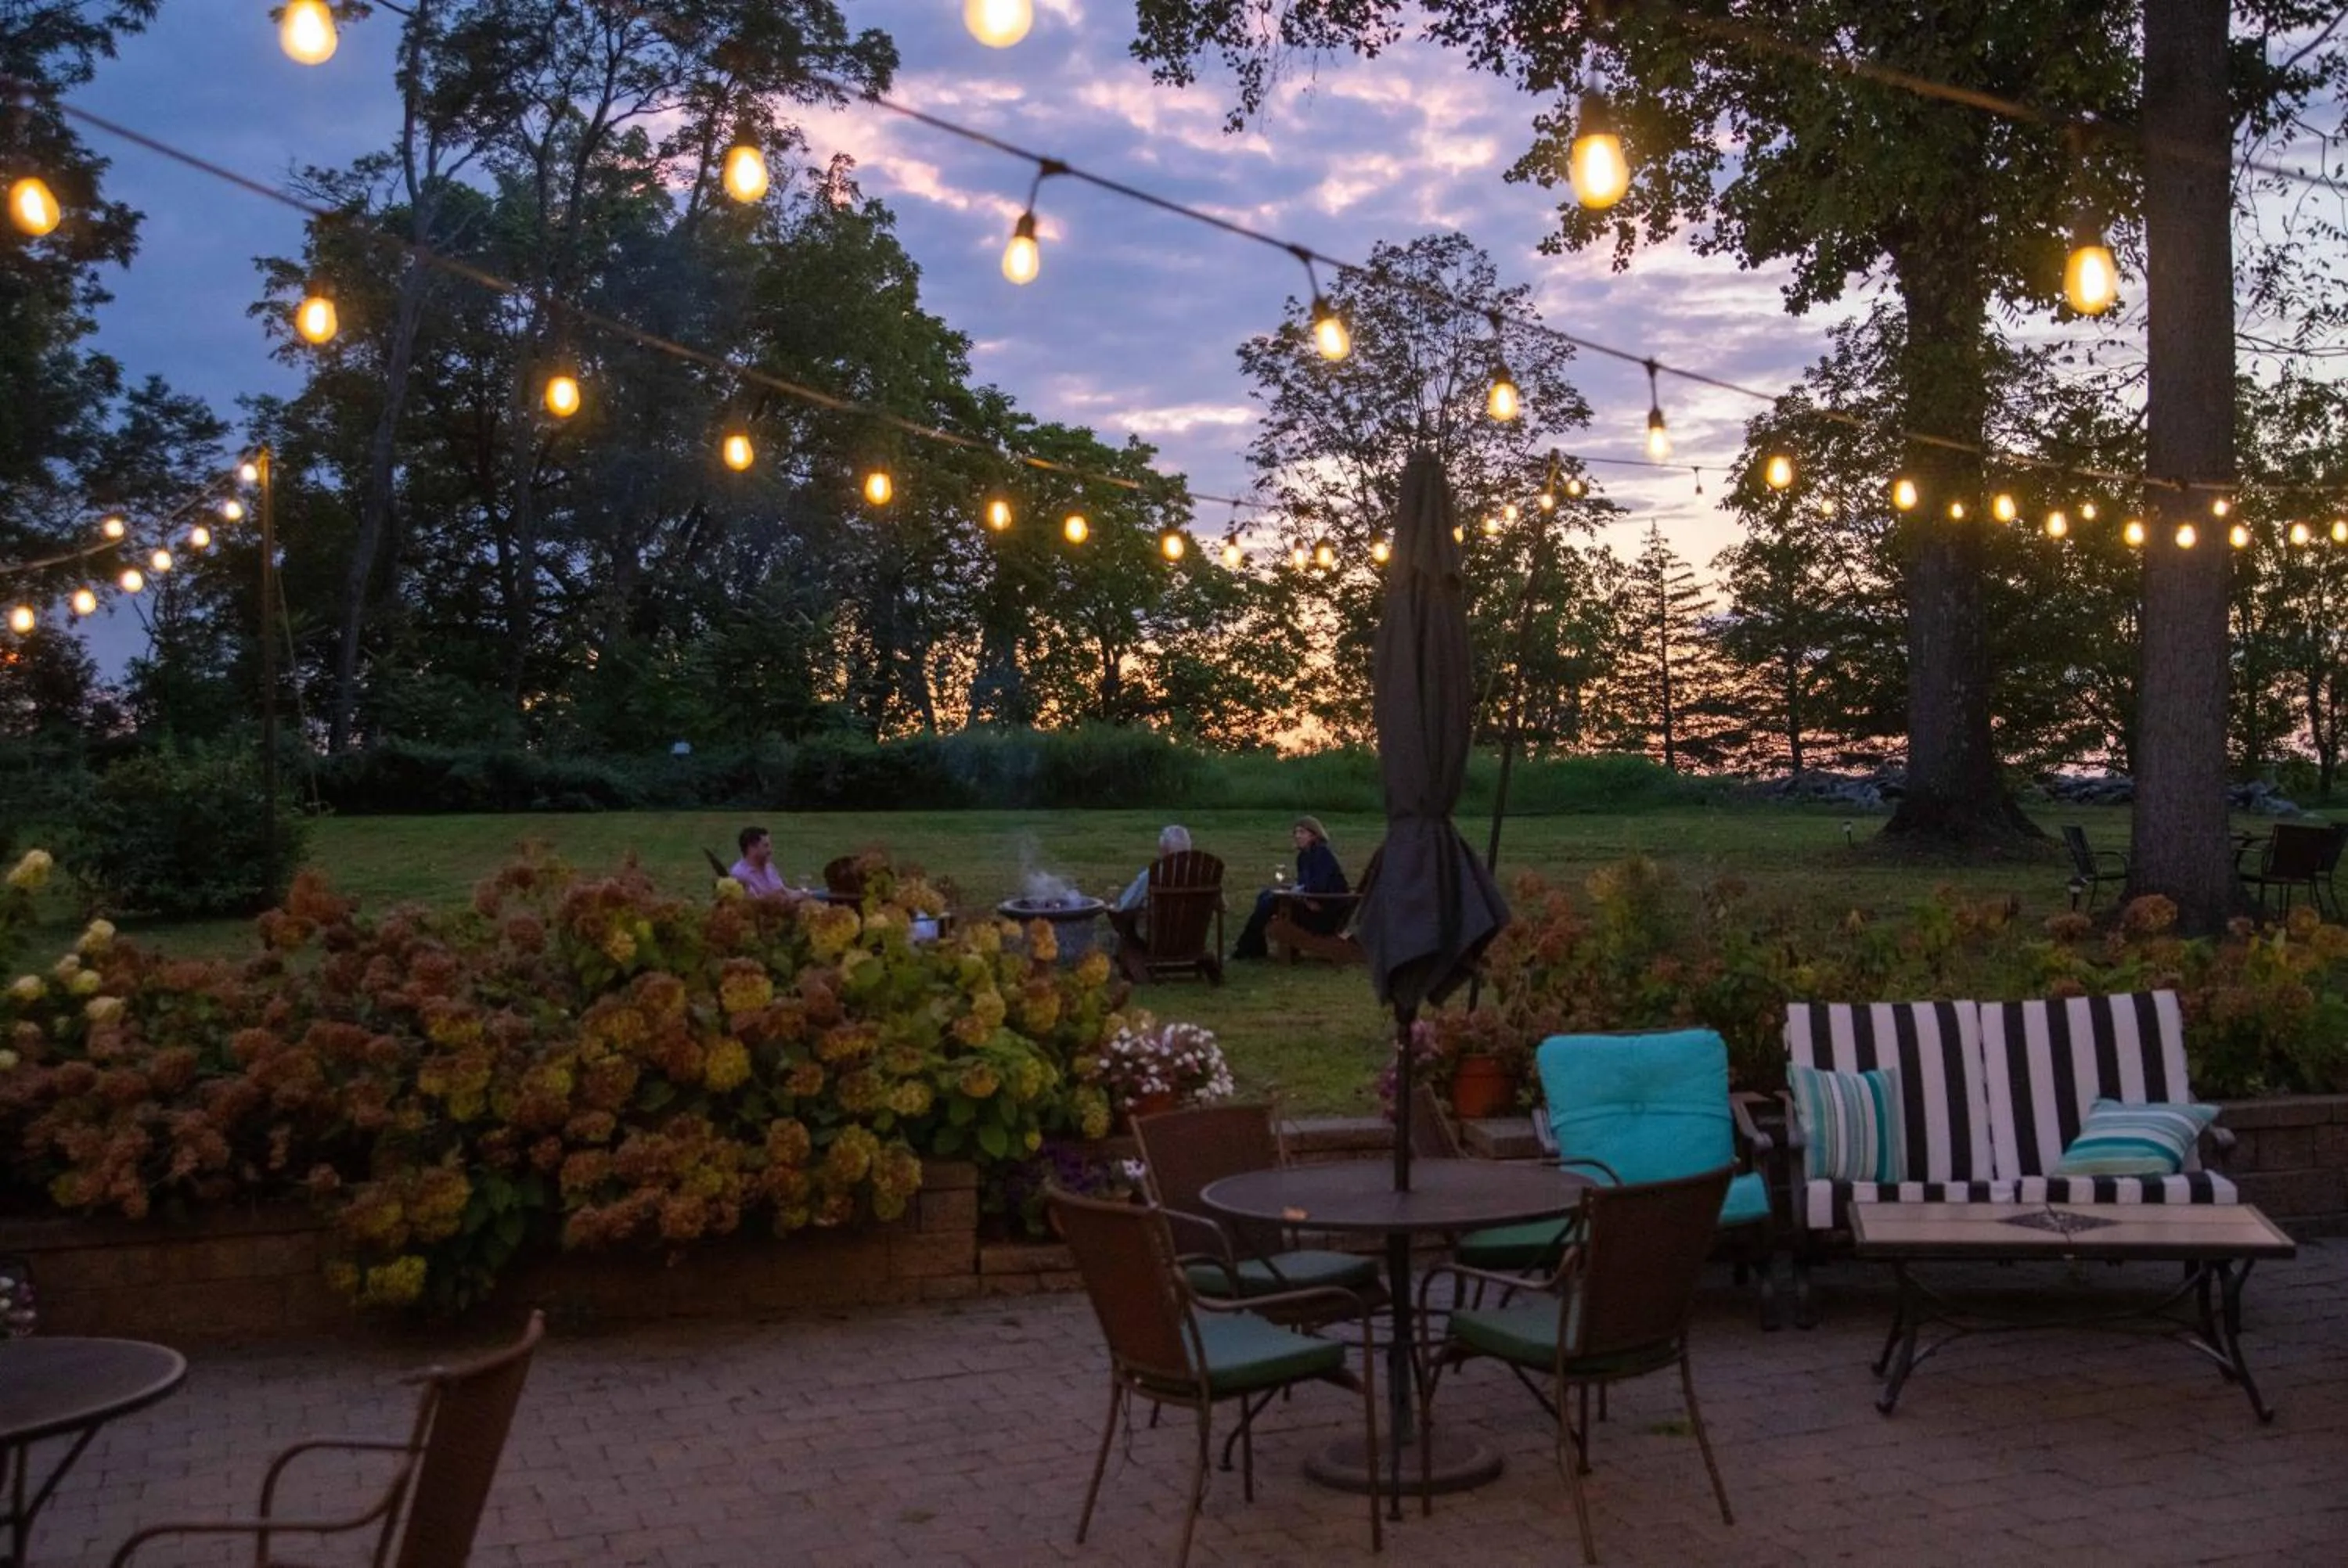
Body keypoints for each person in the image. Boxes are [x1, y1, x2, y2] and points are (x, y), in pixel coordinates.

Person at [1232, 816, 1349, 960]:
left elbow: (1319, 887)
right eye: (1296, 833)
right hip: (1311, 903)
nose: (1297, 836)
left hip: (1325, 912)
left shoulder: (1322, 854)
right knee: (1265, 895)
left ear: (1314, 835)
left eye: (1302, 832)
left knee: (1272, 900)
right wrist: (1296, 890)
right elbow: (1305, 885)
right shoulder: (1303, 857)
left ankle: (1248, 947)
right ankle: (1253, 946)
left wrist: (1304, 896)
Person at [1115, 825, 1194, 914]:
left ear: (1165, 851)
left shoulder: (1156, 873)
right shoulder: (1199, 874)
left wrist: (1115, 908)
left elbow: (1129, 904)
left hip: (1162, 923)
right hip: (1193, 923)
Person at [729, 825, 787, 898]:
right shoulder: (739, 875)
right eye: (766, 846)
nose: (770, 851)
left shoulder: (769, 867)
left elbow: (782, 891)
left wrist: (803, 893)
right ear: (752, 848)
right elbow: (754, 903)